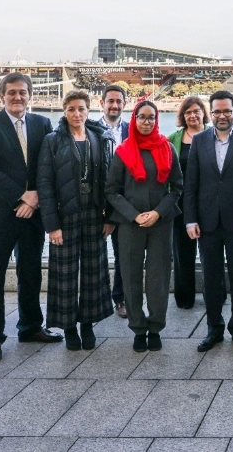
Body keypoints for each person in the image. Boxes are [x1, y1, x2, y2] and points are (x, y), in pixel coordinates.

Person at [0, 73, 61, 362]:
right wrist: (22, 197)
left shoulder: (42, 124)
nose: (17, 97)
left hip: (31, 216)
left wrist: (34, 196)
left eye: (22, 92)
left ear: (29, 95)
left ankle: (31, 327)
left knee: (31, 274)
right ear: (2, 95)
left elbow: (46, 165)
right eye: (11, 92)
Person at [37, 89, 116, 350]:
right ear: (64, 111)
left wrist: (109, 216)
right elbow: (45, 184)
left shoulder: (99, 137)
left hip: (94, 214)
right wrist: (52, 226)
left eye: (81, 108)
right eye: (71, 109)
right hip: (65, 215)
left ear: (89, 109)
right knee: (65, 274)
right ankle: (70, 326)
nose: (77, 114)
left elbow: (108, 180)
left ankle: (87, 324)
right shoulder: (53, 140)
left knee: (95, 271)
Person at [184, 91, 233, 352]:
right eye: (216, 111)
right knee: (211, 279)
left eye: (226, 111)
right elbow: (191, 183)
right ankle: (214, 329)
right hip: (207, 223)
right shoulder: (199, 141)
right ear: (211, 114)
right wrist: (190, 219)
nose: (221, 116)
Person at [105, 101, 183, 353]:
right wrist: (134, 215)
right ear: (134, 118)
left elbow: (177, 188)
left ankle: (156, 326)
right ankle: (138, 328)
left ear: (157, 119)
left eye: (151, 118)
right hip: (130, 224)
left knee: (159, 277)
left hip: (161, 223)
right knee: (130, 276)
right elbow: (111, 190)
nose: (147, 122)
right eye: (142, 117)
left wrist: (158, 213)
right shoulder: (123, 151)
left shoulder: (167, 148)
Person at [167, 96, 212, 309]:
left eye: (196, 111)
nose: (192, 115)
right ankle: (185, 298)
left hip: (210, 202)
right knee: (182, 253)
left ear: (204, 113)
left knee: (210, 251)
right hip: (180, 204)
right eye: (188, 112)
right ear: (183, 116)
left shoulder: (215, 135)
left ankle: (215, 294)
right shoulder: (173, 139)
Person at [98, 85, 130, 319]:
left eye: (119, 101)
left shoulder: (133, 130)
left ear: (124, 104)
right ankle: (97, 300)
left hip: (125, 204)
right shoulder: (90, 128)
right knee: (95, 256)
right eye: (110, 101)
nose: (114, 105)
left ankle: (120, 299)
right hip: (96, 203)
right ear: (102, 103)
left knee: (123, 255)